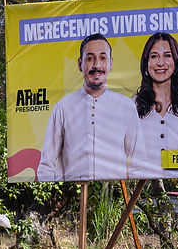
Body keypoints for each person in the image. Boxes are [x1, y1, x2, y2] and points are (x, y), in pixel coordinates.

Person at [37, 34, 146, 181]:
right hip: (71, 191)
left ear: (111, 63)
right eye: (89, 58)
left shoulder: (126, 106)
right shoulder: (64, 107)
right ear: (80, 64)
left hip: (114, 191)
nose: (97, 65)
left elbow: (139, 164)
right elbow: (46, 165)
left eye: (103, 58)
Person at [133, 32, 178, 178]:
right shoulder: (132, 107)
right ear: (146, 63)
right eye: (154, 56)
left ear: (175, 62)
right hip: (140, 188)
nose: (160, 63)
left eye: (167, 55)